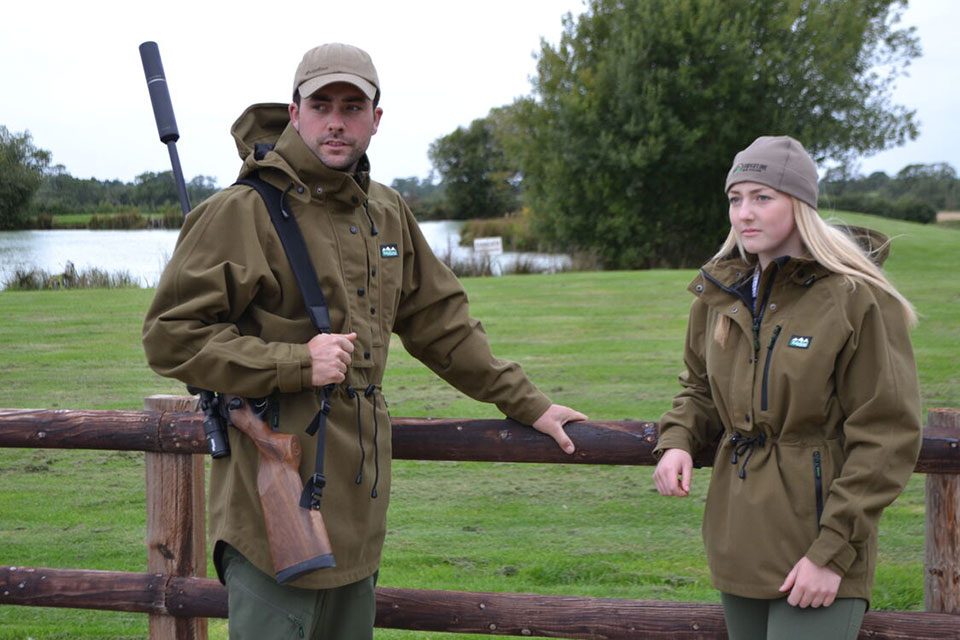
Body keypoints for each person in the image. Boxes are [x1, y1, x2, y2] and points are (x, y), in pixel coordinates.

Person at [142, 42, 586, 640]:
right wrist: (296, 362)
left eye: (353, 106)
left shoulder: (387, 211)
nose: (336, 121)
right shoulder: (242, 211)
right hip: (272, 499)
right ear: (294, 111)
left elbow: (441, 324)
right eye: (321, 104)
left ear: (377, 118)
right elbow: (170, 337)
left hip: (360, 502)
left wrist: (528, 402)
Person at [651, 135, 922, 640]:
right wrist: (677, 441)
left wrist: (831, 552)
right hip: (738, 538)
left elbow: (887, 434)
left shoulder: (856, 298)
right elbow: (699, 390)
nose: (744, 214)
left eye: (762, 197)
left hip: (818, 543)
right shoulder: (719, 295)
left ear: (800, 204)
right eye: (736, 199)